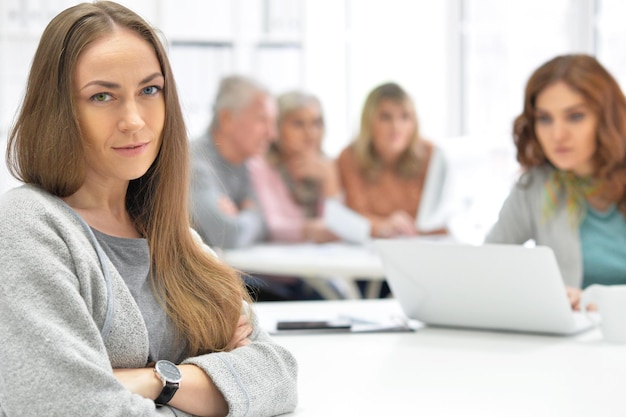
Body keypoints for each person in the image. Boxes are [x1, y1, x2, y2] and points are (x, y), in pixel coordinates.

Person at [0, 2, 297, 416]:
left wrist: (154, 380)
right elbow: (63, 406)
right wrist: (215, 388)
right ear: (58, 111)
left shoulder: (177, 238)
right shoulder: (27, 227)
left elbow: (277, 376)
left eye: (149, 90)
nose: (134, 120)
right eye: (102, 96)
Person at [485, 54, 626, 310]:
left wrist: (597, 300)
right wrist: (541, 293)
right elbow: (487, 267)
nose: (558, 135)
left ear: (606, 119)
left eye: (575, 117)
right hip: (567, 343)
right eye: (545, 119)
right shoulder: (536, 186)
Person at [337, 81, 445, 238]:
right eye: (385, 117)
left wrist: (413, 228)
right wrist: (384, 226)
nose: (396, 126)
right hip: (370, 249)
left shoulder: (431, 154)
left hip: (422, 245)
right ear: (369, 121)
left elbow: (442, 219)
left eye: (405, 117)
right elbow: (352, 217)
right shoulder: (350, 157)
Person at [190, 75, 276, 249]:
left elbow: (264, 224)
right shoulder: (192, 164)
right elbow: (228, 235)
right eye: (262, 120)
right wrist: (250, 212)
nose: (272, 134)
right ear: (227, 119)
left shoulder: (245, 164)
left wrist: (242, 217)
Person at [248, 90, 339, 243]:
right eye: (298, 124)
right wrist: (307, 231)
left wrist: (330, 180)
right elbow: (269, 226)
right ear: (276, 127)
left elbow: (339, 227)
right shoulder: (260, 166)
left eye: (316, 123)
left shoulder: (325, 165)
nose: (310, 133)